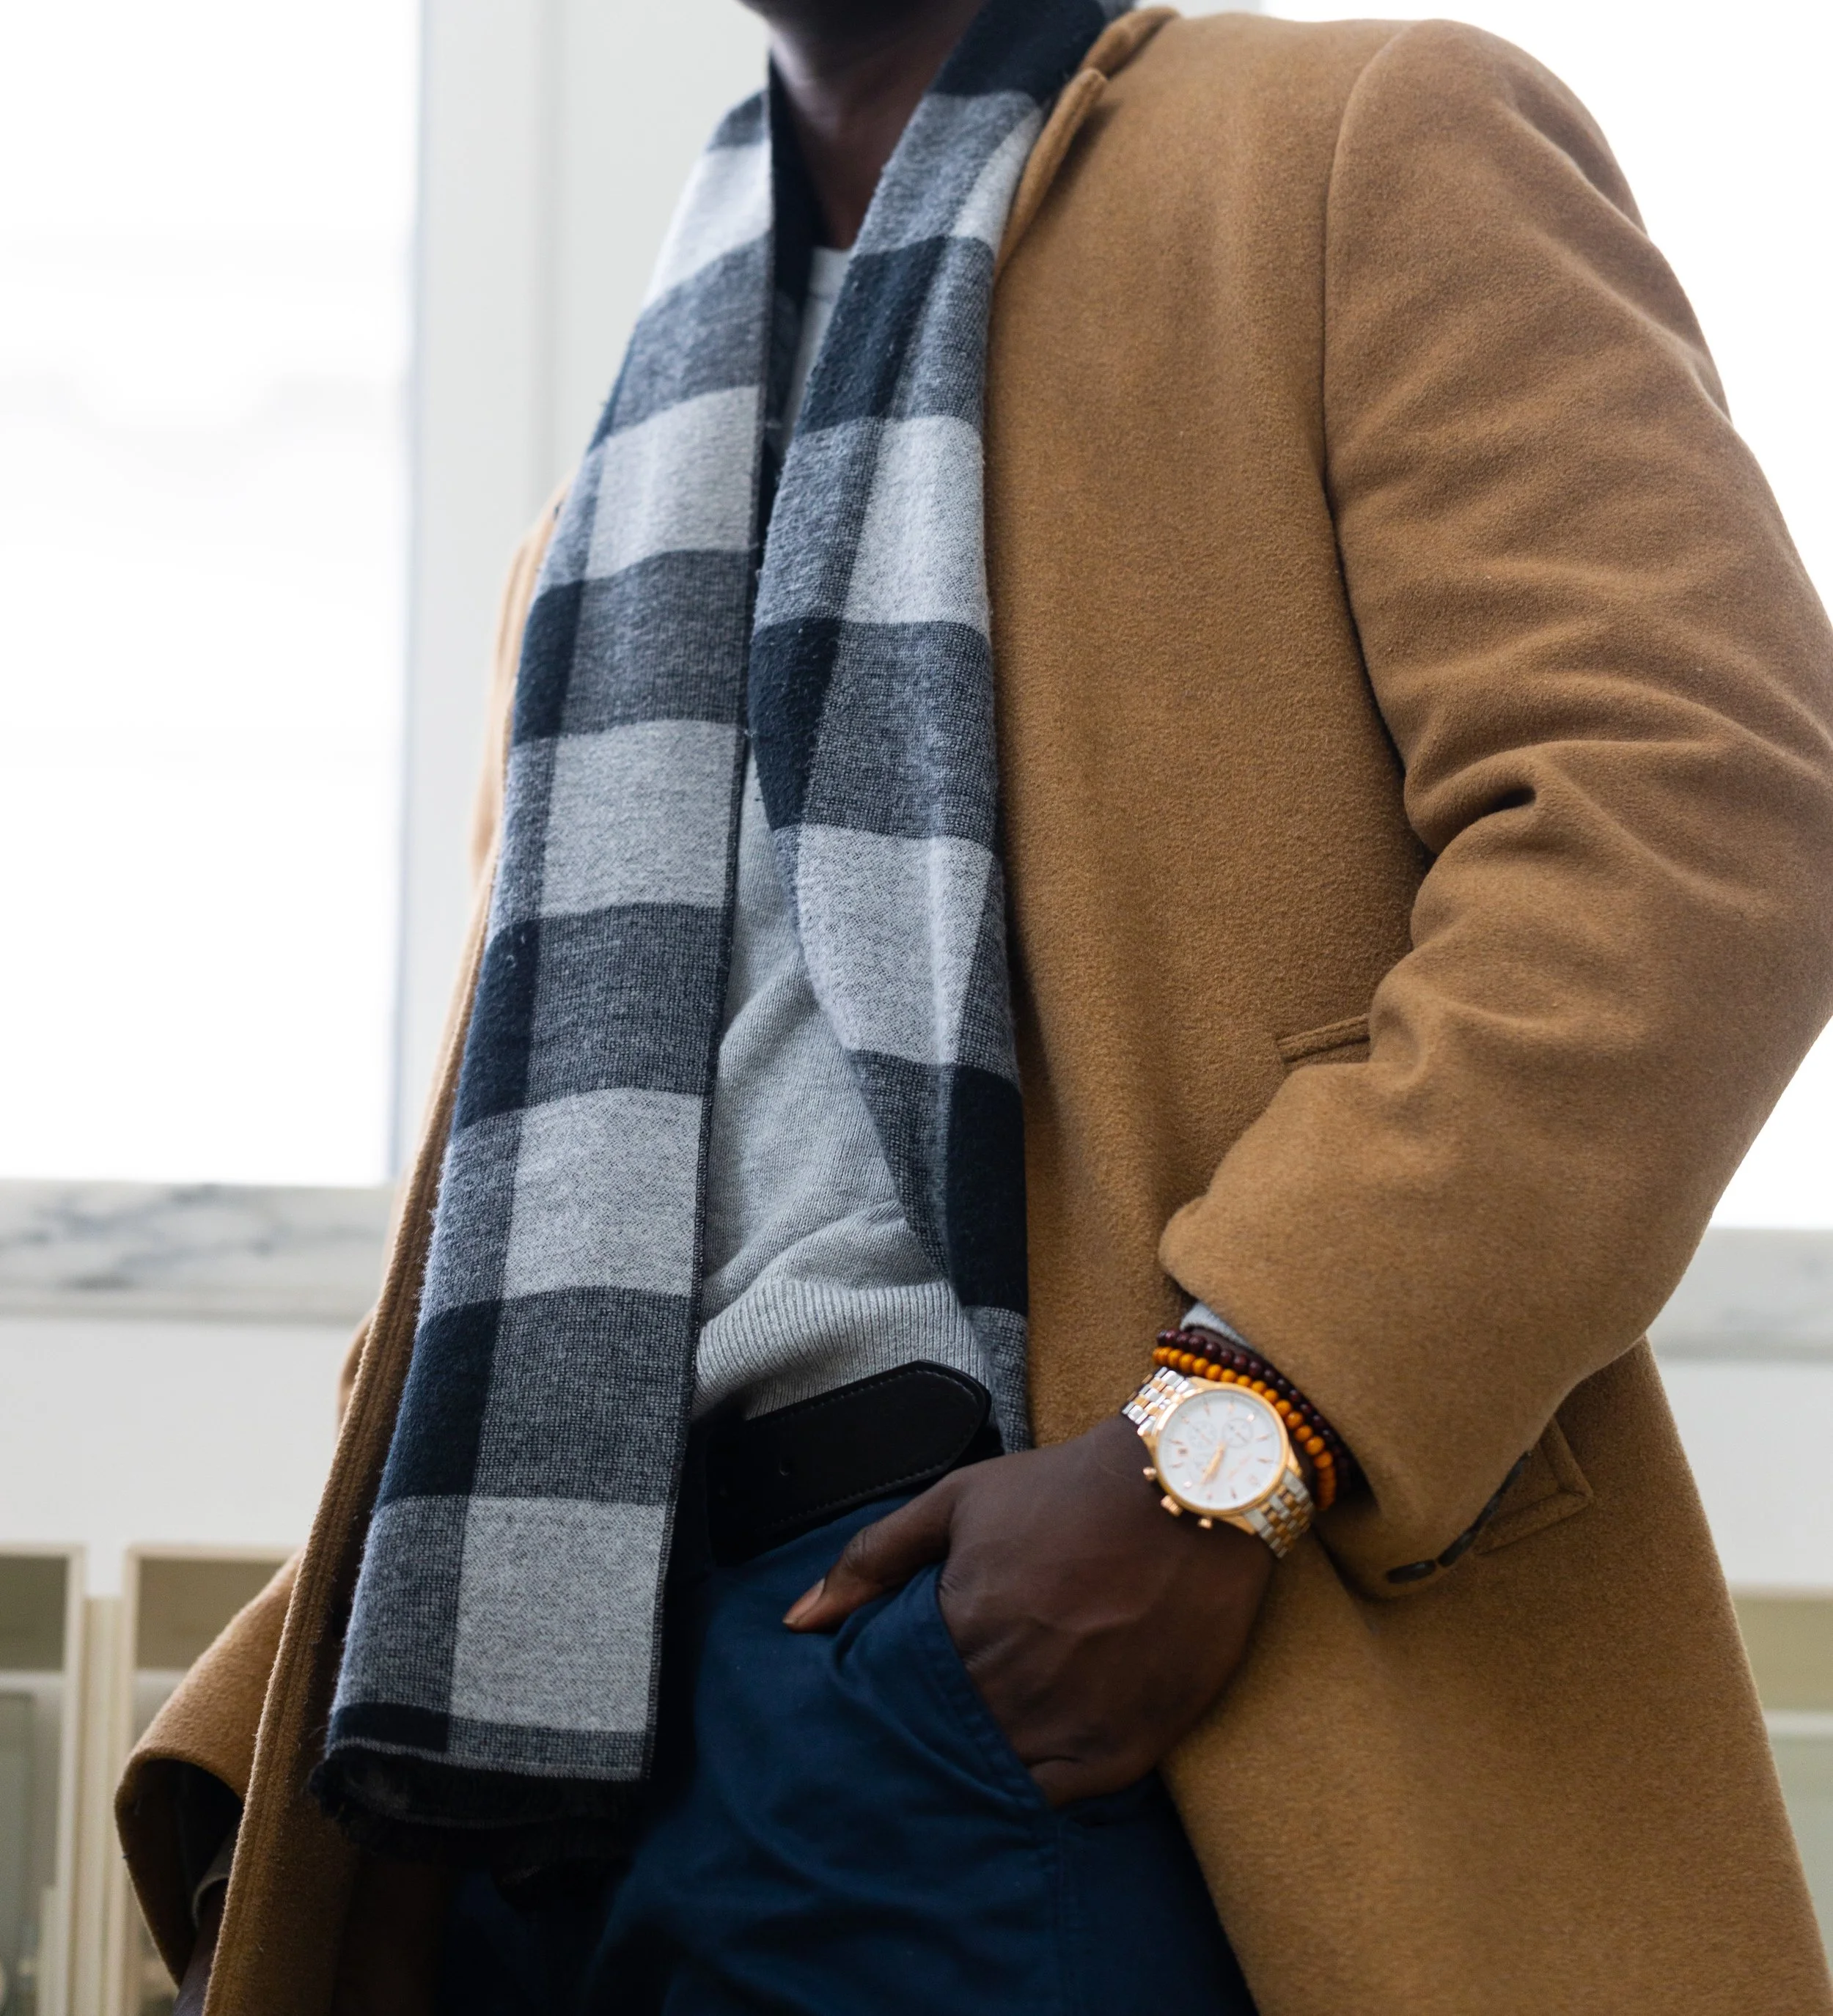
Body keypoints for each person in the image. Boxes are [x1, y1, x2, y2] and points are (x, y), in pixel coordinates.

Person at [119, 1, 1833, 2011]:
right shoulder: (610, 493)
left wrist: (1223, 1444)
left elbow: (1693, 821)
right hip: (548, 1740)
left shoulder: (1360, 144)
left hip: (1023, 1652)